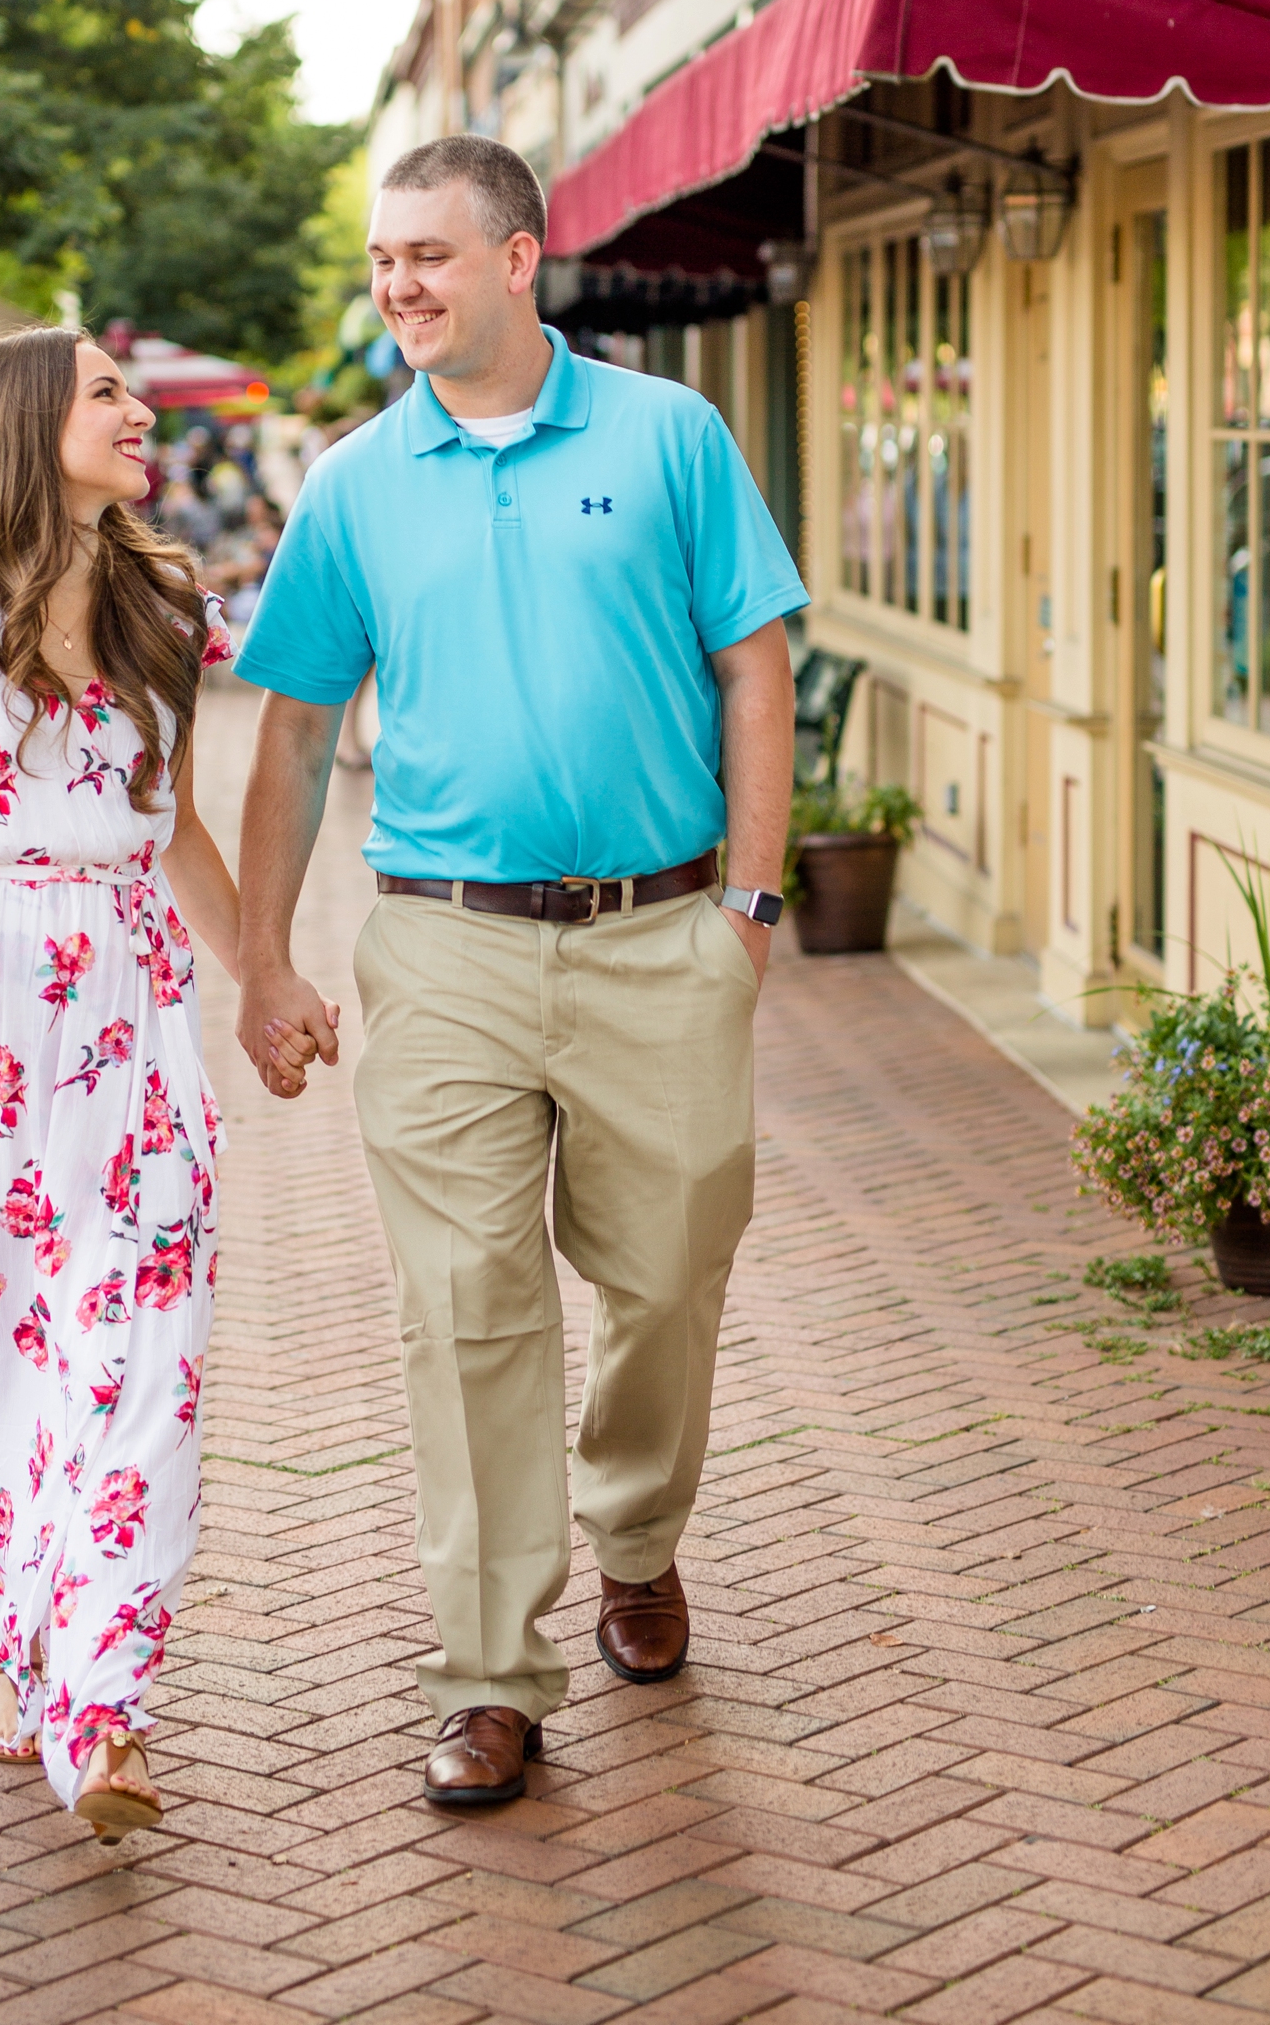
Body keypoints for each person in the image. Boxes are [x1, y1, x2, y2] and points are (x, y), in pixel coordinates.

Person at [232, 136, 805, 1811]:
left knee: (671, 1273)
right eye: (382, 258)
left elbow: (752, 671)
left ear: (517, 259)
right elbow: (291, 737)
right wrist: (263, 956)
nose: (399, 284)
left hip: (661, 936)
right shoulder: (354, 481)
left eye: (429, 253)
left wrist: (750, 917)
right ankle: (489, 1670)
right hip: (444, 946)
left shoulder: (666, 434)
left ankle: (637, 1532)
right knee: (467, 1311)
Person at [0, 328, 315, 1844]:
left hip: (133, 1027)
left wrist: (266, 981)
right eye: (105, 391)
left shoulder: (165, 608)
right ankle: (15, 1635)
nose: (138, 408)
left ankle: (105, 1711)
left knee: (144, 1360)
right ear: (30, 425)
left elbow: (179, 838)